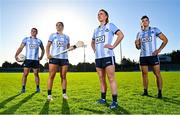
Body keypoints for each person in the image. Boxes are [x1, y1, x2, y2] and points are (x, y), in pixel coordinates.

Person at [91, 9, 124, 109]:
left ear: (106, 16)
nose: (99, 15)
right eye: (98, 14)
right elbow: (92, 42)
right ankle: (103, 99)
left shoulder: (110, 25)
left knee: (111, 78)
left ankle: (114, 101)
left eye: (101, 14)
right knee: (101, 79)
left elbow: (121, 35)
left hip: (108, 56)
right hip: (98, 58)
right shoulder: (95, 30)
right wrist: (95, 50)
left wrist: (113, 46)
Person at [135, 15, 168, 98]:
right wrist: (136, 44)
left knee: (157, 74)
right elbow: (138, 48)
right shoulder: (139, 33)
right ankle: (145, 91)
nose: (145, 22)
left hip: (153, 56)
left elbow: (165, 40)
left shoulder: (154, 30)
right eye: (143, 21)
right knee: (144, 74)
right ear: (141, 23)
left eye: (146, 20)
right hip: (143, 56)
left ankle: (160, 92)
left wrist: (159, 50)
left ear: (149, 22)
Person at [46, 22, 75, 101]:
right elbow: (48, 46)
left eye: (60, 25)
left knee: (63, 76)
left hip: (64, 58)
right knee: (51, 76)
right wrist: (48, 54)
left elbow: (68, 48)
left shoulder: (67, 37)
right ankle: (49, 95)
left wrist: (72, 48)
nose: (58, 26)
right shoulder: (52, 35)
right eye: (57, 25)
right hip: (54, 58)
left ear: (63, 27)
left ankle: (64, 94)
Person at [15, 28, 45, 93]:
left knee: (36, 74)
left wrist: (41, 56)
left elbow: (43, 49)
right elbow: (21, 48)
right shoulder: (26, 39)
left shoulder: (39, 41)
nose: (33, 32)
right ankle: (23, 89)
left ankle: (37, 88)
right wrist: (16, 55)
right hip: (27, 60)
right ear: (30, 32)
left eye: (35, 31)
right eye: (32, 31)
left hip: (35, 60)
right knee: (25, 74)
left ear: (37, 33)